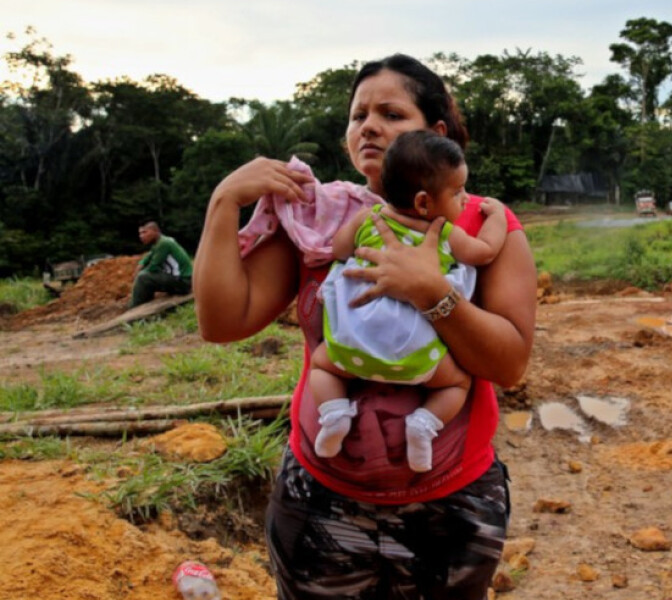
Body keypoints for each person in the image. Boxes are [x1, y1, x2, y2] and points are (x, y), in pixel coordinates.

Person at [193, 53, 536, 599]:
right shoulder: (319, 216)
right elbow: (222, 322)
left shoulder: (481, 224)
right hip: (319, 502)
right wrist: (223, 202)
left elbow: (509, 364)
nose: (369, 126)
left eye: (392, 114)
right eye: (358, 116)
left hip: (449, 510)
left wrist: (432, 292)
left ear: (436, 133)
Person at [311, 130, 508, 471]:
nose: (464, 199)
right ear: (422, 203)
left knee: (320, 364)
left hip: (351, 345)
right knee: (458, 382)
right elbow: (486, 252)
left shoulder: (369, 218)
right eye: (458, 191)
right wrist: (498, 217)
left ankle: (334, 413)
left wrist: (360, 232)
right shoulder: (444, 232)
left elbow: (340, 250)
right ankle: (424, 424)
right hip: (415, 355)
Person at [130, 220, 193, 308]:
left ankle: (134, 308)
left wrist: (138, 274)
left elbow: (153, 267)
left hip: (183, 282)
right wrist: (140, 265)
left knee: (143, 277)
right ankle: (144, 303)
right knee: (145, 276)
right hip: (181, 279)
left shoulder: (163, 244)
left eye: (145, 232)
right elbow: (148, 257)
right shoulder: (160, 242)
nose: (141, 236)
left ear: (155, 231)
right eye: (140, 234)